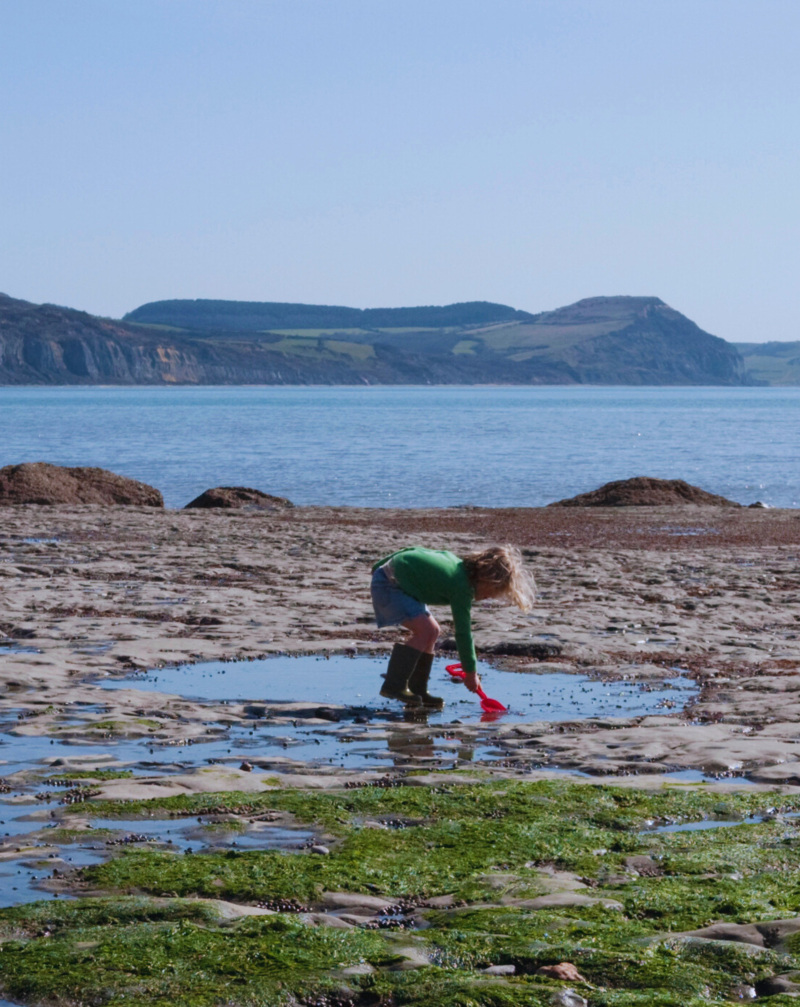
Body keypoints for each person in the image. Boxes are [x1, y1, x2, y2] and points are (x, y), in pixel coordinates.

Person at [370, 544, 535, 708]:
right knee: (425, 631)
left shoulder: (457, 565)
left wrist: (379, 566)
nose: (488, 597)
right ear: (485, 578)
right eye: (491, 591)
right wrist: (470, 673)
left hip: (398, 581)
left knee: (433, 631)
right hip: (388, 585)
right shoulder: (461, 587)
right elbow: (463, 633)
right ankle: (394, 684)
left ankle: (417, 689)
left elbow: (413, 551)